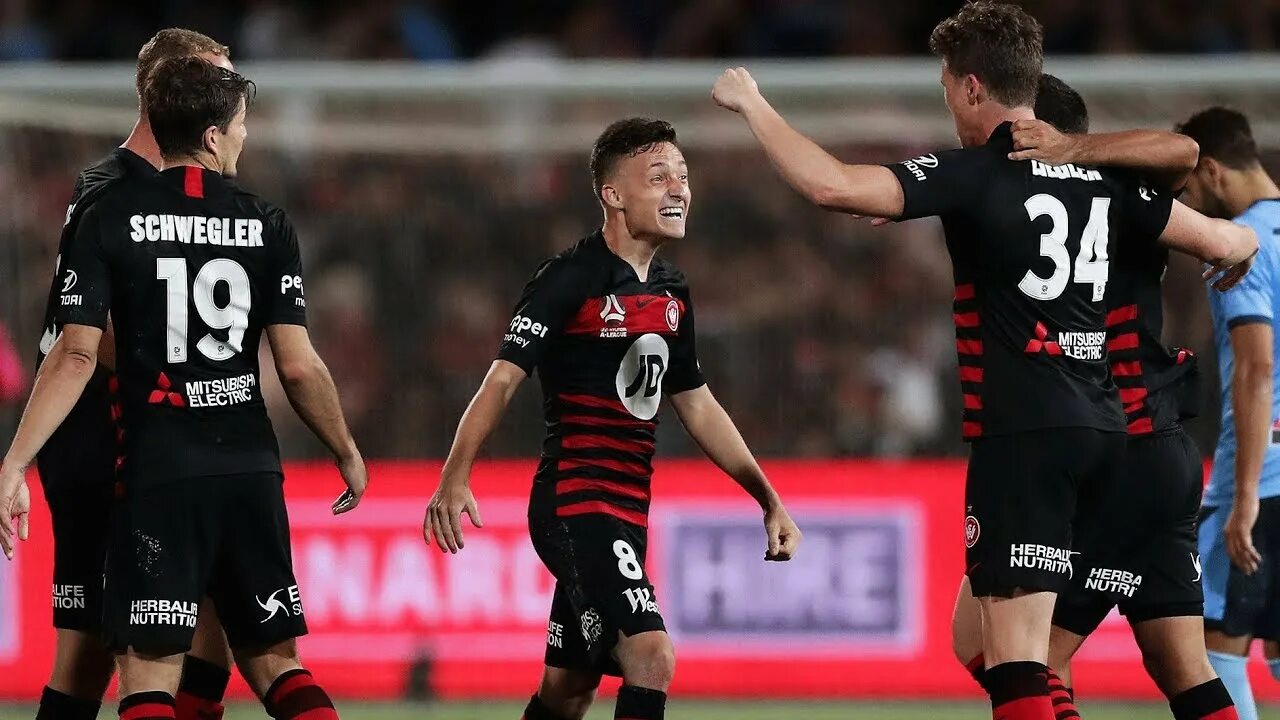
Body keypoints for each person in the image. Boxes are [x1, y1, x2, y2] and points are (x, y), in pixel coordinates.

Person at [711, 3, 1256, 718]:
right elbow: (1226, 241)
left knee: (1015, 659)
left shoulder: (976, 173)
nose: (949, 108)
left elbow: (831, 185)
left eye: (946, 91)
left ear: (972, 88)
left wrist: (752, 104)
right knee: (1152, 662)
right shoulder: (1110, 179)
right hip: (1108, 428)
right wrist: (1236, 256)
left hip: (1025, 432)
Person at [0, 57, 366, 720]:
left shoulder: (109, 217)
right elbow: (300, 367)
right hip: (251, 469)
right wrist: (344, 447)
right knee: (279, 666)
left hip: (160, 472)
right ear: (211, 137)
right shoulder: (269, 223)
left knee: (148, 674)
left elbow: (76, 353)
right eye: (241, 126)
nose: (245, 138)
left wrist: (15, 461)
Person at [423, 117, 801, 720]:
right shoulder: (569, 277)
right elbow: (502, 378)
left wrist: (768, 498)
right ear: (613, 195)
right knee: (651, 656)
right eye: (658, 177)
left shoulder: (673, 290)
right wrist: (455, 475)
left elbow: (696, 401)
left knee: (568, 691)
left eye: (683, 175)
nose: (679, 188)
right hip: (576, 503)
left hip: (628, 508)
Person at [952, 74, 1240, 720]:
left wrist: (1067, 152)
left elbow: (1183, 151)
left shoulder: (1041, 199)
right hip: (1165, 451)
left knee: (1012, 652)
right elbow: (1183, 163)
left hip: (1109, 444)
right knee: (1180, 665)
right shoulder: (1129, 194)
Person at [21, 29, 239, 720]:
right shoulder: (115, 190)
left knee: (210, 623)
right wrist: (201, 368)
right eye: (221, 81)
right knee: (109, 647)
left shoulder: (156, 185)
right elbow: (87, 335)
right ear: (172, 89)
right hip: (102, 432)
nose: (234, 100)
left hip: (147, 433)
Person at [1178, 106, 1280, 720]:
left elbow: (1255, 368)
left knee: (1215, 647)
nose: (1188, 203)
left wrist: (1243, 493)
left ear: (1211, 170)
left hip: (1264, 477)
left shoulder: (1241, 246)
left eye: (1187, 188)